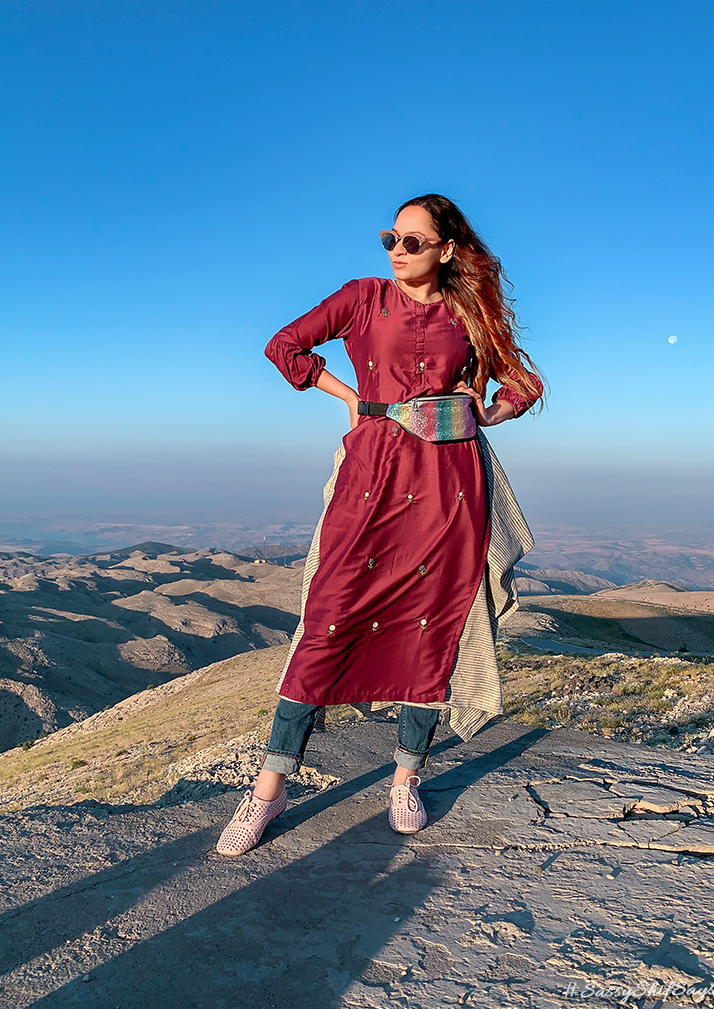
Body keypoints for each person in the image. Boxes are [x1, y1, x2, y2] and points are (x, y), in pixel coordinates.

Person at [216, 193, 545, 858]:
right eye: (390, 238)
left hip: (449, 483)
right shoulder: (364, 296)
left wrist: (484, 411)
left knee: (434, 626)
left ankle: (405, 778)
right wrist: (353, 400)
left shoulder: (468, 312)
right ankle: (269, 789)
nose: (397, 250)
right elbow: (285, 346)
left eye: (413, 241)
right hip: (372, 475)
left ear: (448, 250)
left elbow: (524, 383)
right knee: (327, 619)